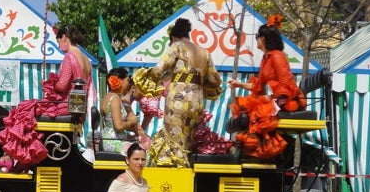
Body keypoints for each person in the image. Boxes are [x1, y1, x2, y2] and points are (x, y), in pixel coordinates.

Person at [0, 25, 95, 171]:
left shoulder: (70, 57)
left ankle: (10, 157)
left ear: (64, 38)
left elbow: (62, 85)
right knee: (28, 109)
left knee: (23, 110)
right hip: (77, 106)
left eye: (58, 41)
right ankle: (22, 157)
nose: (59, 46)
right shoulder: (86, 59)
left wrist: (48, 83)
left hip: (65, 106)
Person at [133, 18, 223, 167]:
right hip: (197, 102)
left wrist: (144, 76)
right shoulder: (205, 53)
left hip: (178, 99)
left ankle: (174, 179)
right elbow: (215, 80)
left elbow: (159, 68)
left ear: (174, 37)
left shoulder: (177, 46)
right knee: (187, 142)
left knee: (172, 139)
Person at [227, 14, 306, 160]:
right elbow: (258, 85)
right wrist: (238, 84)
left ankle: (262, 151)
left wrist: (273, 98)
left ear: (263, 38)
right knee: (247, 108)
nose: (256, 39)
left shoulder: (277, 56)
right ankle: (252, 151)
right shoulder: (266, 58)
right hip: (275, 100)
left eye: (257, 36)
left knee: (256, 112)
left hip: (288, 101)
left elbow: (286, 83)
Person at [98, 67, 149, 152]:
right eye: (128, 80)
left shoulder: (107, 97)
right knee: (142, 152)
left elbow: (112, 125)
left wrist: (130, 135)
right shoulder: (115, 98)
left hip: (110, 140)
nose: (129, 84)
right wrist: (131, 122)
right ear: (119, 80)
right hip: (113, 142)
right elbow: (119, 126)